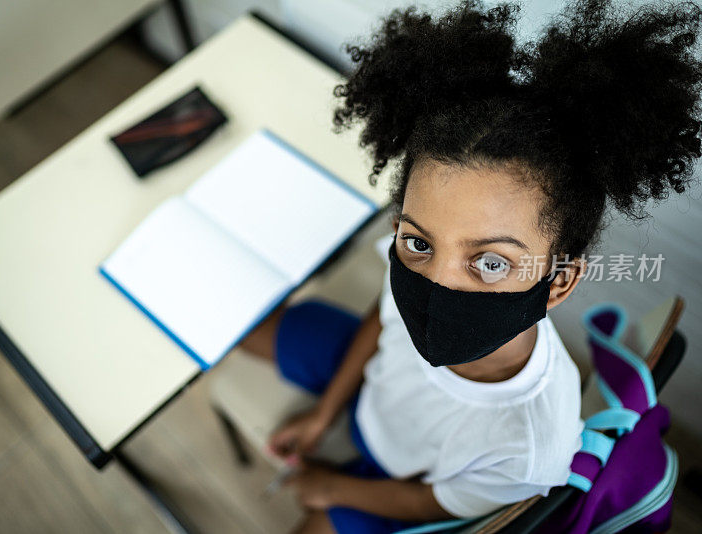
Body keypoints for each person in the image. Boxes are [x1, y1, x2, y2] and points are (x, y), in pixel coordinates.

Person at [237, 0, 702, 532]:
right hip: (373, 394)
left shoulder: (534, 445)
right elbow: (383, 319)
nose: (438, 281)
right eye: (417, 243)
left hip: (408, 485)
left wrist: (330, 487)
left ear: (559, 282)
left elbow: (435, 505)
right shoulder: (411, 271)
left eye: (489, 261)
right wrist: (325, 413)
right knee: (241, 327)